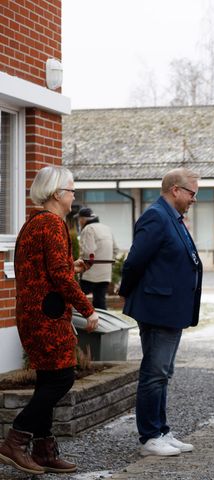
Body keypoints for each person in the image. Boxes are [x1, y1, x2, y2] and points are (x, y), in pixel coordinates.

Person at [0, 166, 99, 475]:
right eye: (71, 191)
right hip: (48, 316)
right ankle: (15, 440)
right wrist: (88, 309)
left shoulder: (33, 224)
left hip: (33, 313)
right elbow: (56, 276)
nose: (74, 197)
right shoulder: (53, 224)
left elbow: (49, 269)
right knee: (61, 379)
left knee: (47, 378)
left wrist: (72, 267)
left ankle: (43, 449)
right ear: (58, 194)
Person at [119, 167, 202, 457]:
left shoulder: (174, 218)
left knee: (163, 372)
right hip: (157, 308)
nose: (194, 199)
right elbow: (135, 261)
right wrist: (127, 292)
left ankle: (162, 430)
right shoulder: (156, 216)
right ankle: (150, 436)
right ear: (175, 190)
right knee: (154, 373)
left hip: (171, 308)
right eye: (192, 193)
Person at [78, 207, 119, 310]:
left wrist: (83, 264)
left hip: (90, 273)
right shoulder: (106, 228)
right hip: (105, 274)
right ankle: (102, 324)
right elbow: (116, 249)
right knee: (100, 302)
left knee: (77, 298)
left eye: (79, 219)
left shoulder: (88, 229)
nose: (79, 222)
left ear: (83, 219)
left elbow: (88, 252)